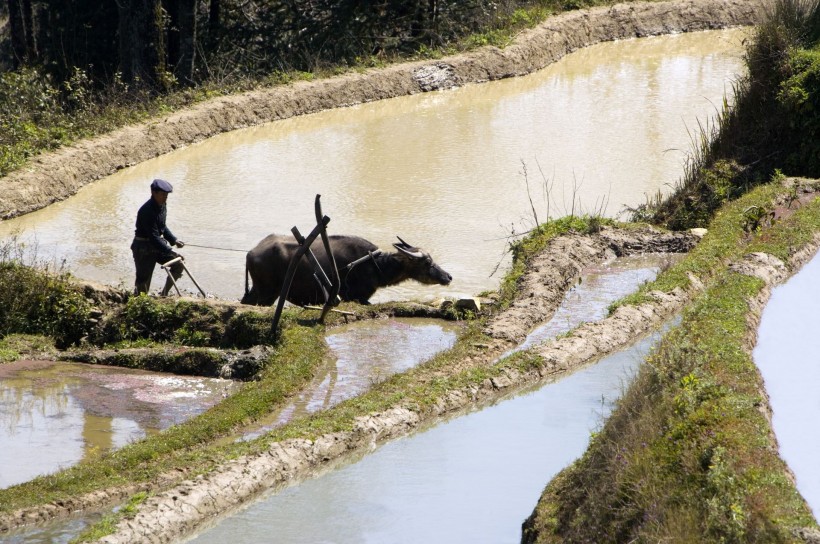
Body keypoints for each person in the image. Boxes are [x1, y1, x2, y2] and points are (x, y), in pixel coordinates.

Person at [130, 178, 186, 296]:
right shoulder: (147, 211)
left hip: (156, 245)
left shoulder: (162, 205)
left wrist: (174, 240)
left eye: (167, 195)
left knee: (178, 265)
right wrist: (171, 251)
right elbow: (153, 236)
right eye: (163, 194)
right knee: (143, 282)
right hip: (143, 248)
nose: (165, 197)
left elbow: (162, 227)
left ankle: (164, 294)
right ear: (153, 192)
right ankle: (139, 304)